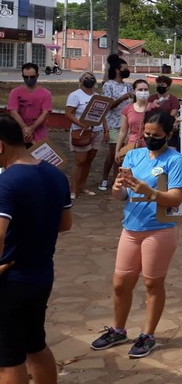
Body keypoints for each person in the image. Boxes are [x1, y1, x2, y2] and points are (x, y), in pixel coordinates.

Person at [90, 110, 182, 359]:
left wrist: (150, 193)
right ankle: (118, 329)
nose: (150, 138)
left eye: (156, 135)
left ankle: (148, 335)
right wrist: (116, 189)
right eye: (146, 134)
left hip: (159, 230)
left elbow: (176, 198)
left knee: (152, 283)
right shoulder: (133, 155)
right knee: (121, 282)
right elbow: (122, 195)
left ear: (168, 135)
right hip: (131, 228)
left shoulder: (174, 161)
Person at [0, 114, 72, 384]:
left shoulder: (6, 183)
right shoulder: (55, 175)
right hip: (42, 274)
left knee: (8, 360)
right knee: (35, 345)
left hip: (10, 281)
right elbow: (65, 224)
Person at [66, 71, 110, 199]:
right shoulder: (75, 95)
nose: (89, 79)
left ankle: (82, 186)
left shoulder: (97, 96)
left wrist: (106, 130)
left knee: (89, 160)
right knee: (80, 161)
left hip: (97, 131)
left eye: (91, 77)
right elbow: (68, 113)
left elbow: (102, 115)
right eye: (86, 78)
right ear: (81, 80)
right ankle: (73, 189)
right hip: (81, 132)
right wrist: (80, 124)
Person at [99, 54, 133, 192]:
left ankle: (116, 180)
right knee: (113, 154)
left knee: (123, 154)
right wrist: (122, 98)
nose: (127, 70)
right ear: (118, 70)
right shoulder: (108, 85)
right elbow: (108, 105)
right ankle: (104, 178)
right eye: (124, 68)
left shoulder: (128, 85)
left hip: (126, 124)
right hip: (113, 124)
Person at [7, 63, 52, 148]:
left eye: (32, 77)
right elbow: (13, 112)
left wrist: (32, 128)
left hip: (39, 134)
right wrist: (26, 130)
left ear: (37, 76)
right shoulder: (15, 92)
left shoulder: (46, 94)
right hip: (19, 134)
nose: (29, 79)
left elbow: (45, 113)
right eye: (26, 77)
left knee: (39, 159)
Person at [116, 80, 152, 163]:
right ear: (134, 91)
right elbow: (123, 131)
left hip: (150, 147)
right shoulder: (127, 109)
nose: (143, 92)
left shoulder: (154, 108)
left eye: (145, 90)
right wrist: (117, 150)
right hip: (133, 146)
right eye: (140, 90)